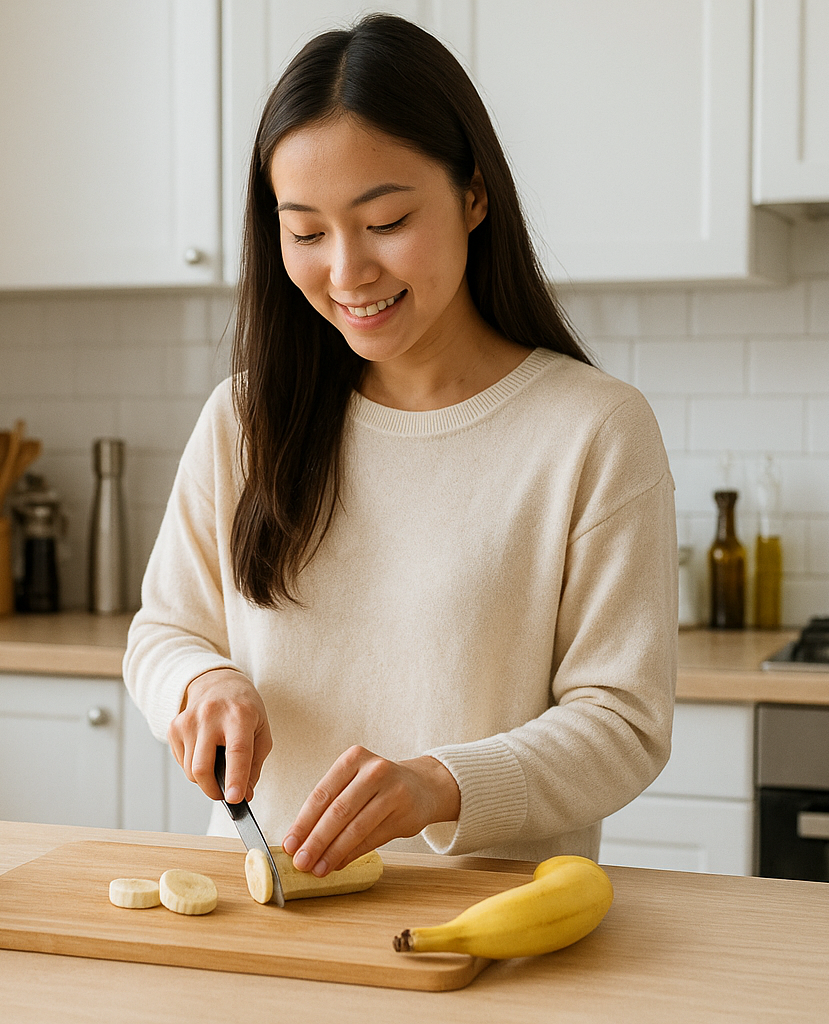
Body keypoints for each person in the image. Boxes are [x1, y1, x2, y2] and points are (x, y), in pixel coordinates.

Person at [124, 14, 676, 879]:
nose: (346, 272)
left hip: (483, 935)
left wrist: (441, 784)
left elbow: (623, 724)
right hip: (268, 925)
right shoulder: (247, 420)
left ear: (474, 195)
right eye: (306, 233)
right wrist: (202, 684)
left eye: (384, 221)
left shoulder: (592, 430)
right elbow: (164, 631)